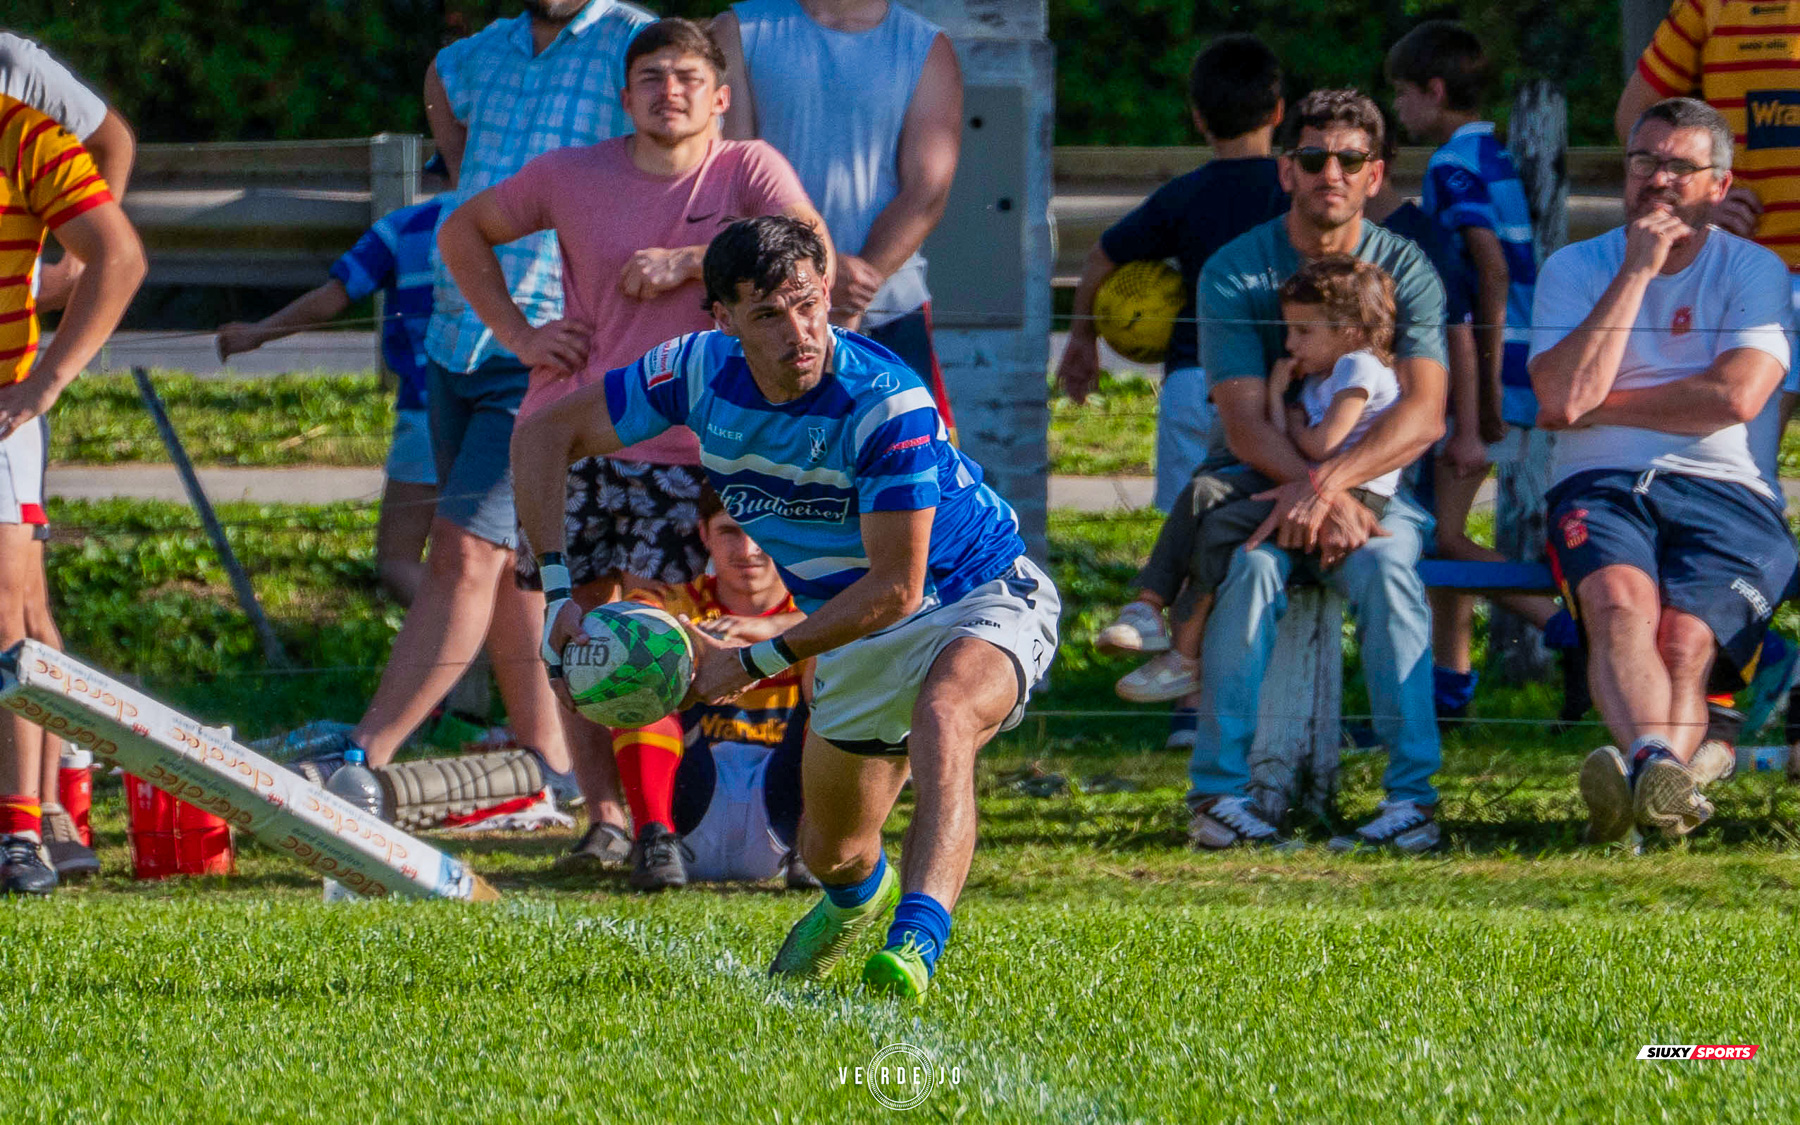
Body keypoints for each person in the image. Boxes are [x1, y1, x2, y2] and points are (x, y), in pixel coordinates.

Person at [513, 217, 1059, 998]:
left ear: (827, 293)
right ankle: (854, 905)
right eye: (768, 314)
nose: (799, 331)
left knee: (945, 712)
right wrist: (560, 597)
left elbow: (897, 587)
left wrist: (752, 659)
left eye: (808, 304)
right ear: (723, 319)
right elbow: (543, 435)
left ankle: (915, 943)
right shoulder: (695, 374)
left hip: (976, 593)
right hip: (857, 632)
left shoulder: (885, 401)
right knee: (832, 847)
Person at [436, 17, 828, 869]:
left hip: (706, 444)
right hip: (582, 435)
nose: (669, 91)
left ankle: (706, 816)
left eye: (688, 77)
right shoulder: (571, 174)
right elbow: (460, 232)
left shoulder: (748, 169)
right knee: (582, 632)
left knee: (674, 632)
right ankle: (611, 819)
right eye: (651, 77)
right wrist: (518, 334)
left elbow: (815, 256)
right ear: (624, 97)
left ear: (721, 97)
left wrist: (692, 262)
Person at [289, 0, 655, 793]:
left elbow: (678, 164)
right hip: (460, 336)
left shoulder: (638, 43)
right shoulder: (473, 57)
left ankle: (365, 756)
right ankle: (549, 764)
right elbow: (456, 145)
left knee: (464, 550)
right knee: (514, 567)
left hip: (554, 347)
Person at [1183, 89, 1448, 855]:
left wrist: (1328, 490)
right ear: (1285, 170)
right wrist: (1312, 491)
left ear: (1376, 174)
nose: (1330, 171)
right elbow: (1243, 420)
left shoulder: (1409, 268)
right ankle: (1219, 796)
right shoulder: (1235, 270)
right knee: (1250, 572)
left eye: (1350, 158)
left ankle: (1413, 802)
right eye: (1312, 157)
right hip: (1256, 483)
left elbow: (1424, 414)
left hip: (1373, 496)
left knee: (1394, 568)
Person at [1531, 99, 1795, 842]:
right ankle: (1658, 769)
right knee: (1618, 602)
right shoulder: (1576, 268)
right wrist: (1637, 273)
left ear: (1719, 183)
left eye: (1681, 166)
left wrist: (1600, 404)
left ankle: (1637, 795)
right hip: (1601, 485)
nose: (1659, 179)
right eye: (1645, 161)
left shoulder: (1755, 270)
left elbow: (1735, 395)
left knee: (1683, 642)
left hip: (1730, 493)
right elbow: (1556, 397)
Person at [1107, 256, 1407, 706]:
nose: (1291, 343)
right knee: (1204, 491)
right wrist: (1280, 401)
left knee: (1219, 528)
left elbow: (1321, 445)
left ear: (1352, 330)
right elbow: (1301, 443)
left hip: (1351, 495)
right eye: (1289, 329)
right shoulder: (1325, 375)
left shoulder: (1357, 366)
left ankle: (1185, 657)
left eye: (1304, 331)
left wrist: (1285, 414)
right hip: (1312, 482)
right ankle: (1148, 607)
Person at [1388, 21, 1558, 717]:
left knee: (1441, 538)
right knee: (1441, 529)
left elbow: (1485, 270)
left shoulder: (1450, 166)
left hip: (1485, 370)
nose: (1397, 110)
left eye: (1400, 94)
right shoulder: (1492, 153)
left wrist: (1481, 390)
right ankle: (1449, 690)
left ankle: (1569, 621)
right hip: (1508, 361)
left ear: (1433, 91)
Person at [0, 31, 138, 882]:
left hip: (5, 399)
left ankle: (29, 821)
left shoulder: (19, 118)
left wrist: (43, 387)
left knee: (10, 606)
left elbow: (118, 254)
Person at [714, 0, 960, 433]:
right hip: (768, 315)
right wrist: (816, 279)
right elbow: (732, 175)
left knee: (909, 487)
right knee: (770, 489)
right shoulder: (739, 30)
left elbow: (926, 191)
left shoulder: (925, 46)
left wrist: (849, 288)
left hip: (886, 311)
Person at [217, 195, 445, 606]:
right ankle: (509, 645)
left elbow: (334, 296)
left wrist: (259, 332)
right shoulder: (527, 218)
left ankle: (466, 637)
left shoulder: (407, 226)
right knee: (495, 560)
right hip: (512, 411)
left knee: (399, 561)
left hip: (429, 411)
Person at [613, 488, 813, 890]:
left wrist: (773, 633)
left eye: (762, 533)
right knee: (638, 667)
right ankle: (653, 838)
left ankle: (819, 843)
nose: (748, 549)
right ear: (704, 534)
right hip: (690, 804)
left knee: (842, 654)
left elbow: (874, 622)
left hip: (788, 803)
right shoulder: (672, 604)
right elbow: (626, 626)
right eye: (729, 532)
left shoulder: (818, 608)